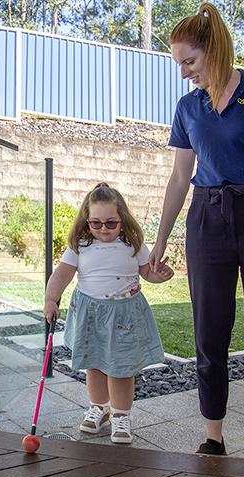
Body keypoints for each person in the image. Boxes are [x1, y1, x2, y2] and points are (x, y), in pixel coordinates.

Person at [148, 2, 244, 461]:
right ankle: (212, 435)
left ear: (214, 51)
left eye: (189, 62)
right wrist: (159, 243)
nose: (183, 73)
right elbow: (180, 179)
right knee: (209, 333)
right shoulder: (188, 107)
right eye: (178, 63)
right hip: (207, 220)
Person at [44, 183, 174, 444]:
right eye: (96, 223)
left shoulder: (133, 244)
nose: (103, 229)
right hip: (90, 313)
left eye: (111, 223)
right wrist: (50, 298)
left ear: (123, 219)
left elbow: (147, 273)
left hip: (124, 315)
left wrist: (158, 276)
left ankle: (121, 415)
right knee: (94, 364)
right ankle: (99, 407)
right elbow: (62, 274)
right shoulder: (80, 245)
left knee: (121, 369)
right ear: (86, 220)